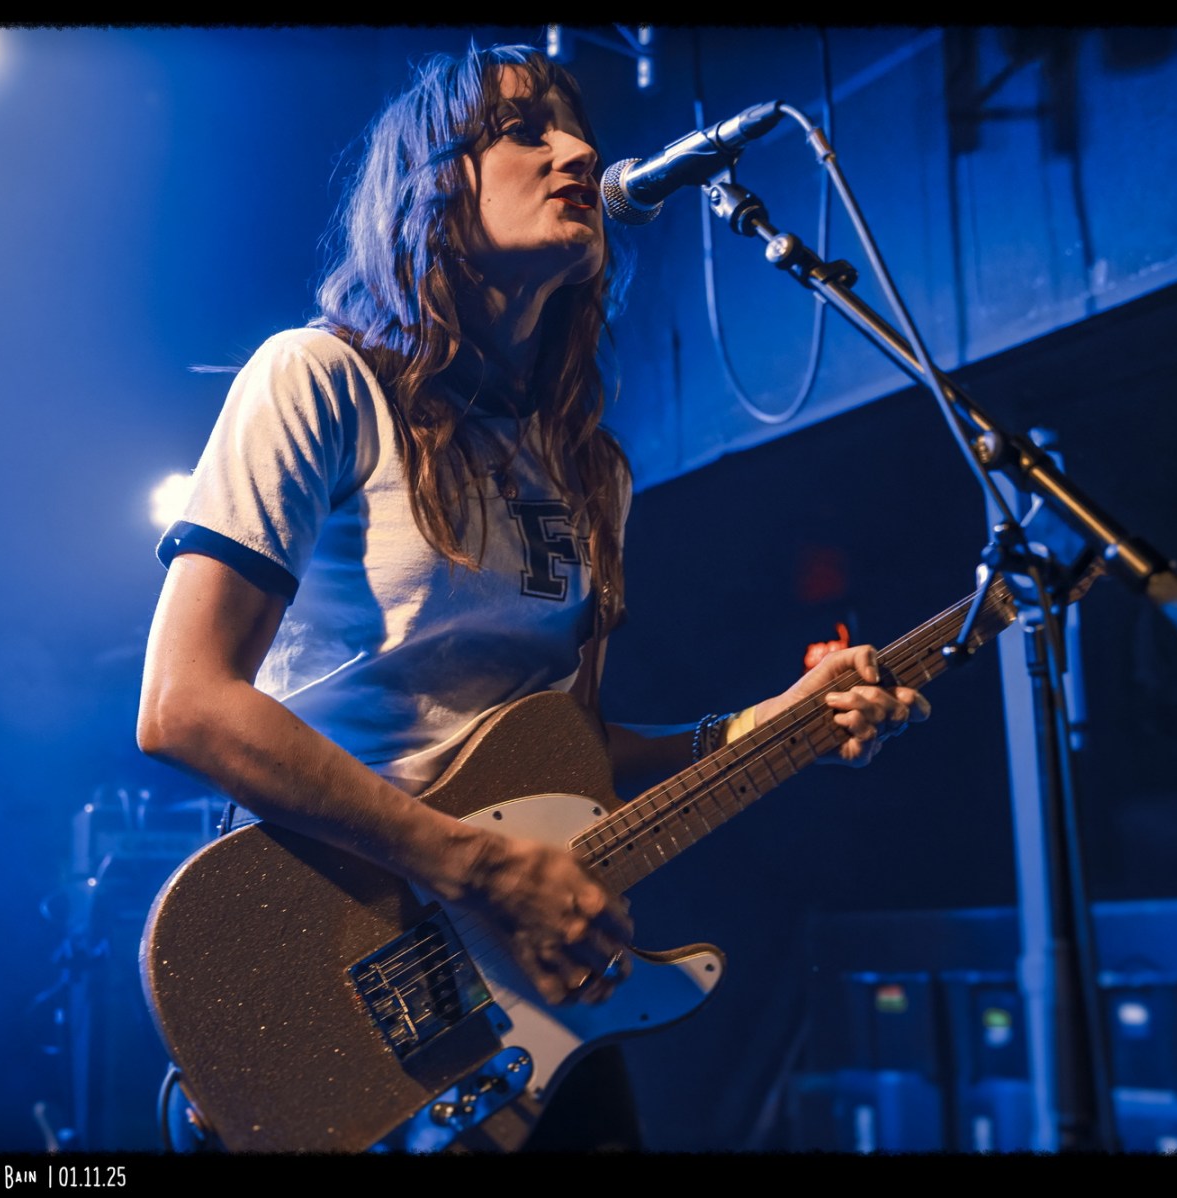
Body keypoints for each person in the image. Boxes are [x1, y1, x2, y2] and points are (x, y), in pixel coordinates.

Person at [135, 42, 930, 1153]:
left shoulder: (590, 470)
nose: (580, 151)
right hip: (333, 955)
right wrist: (478, 867)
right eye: (524, 131)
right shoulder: (316, 379)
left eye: (577, 129)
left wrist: (766, 726)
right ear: (430, 188)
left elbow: (570, 751)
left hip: (524, 992)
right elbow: (183, 704)